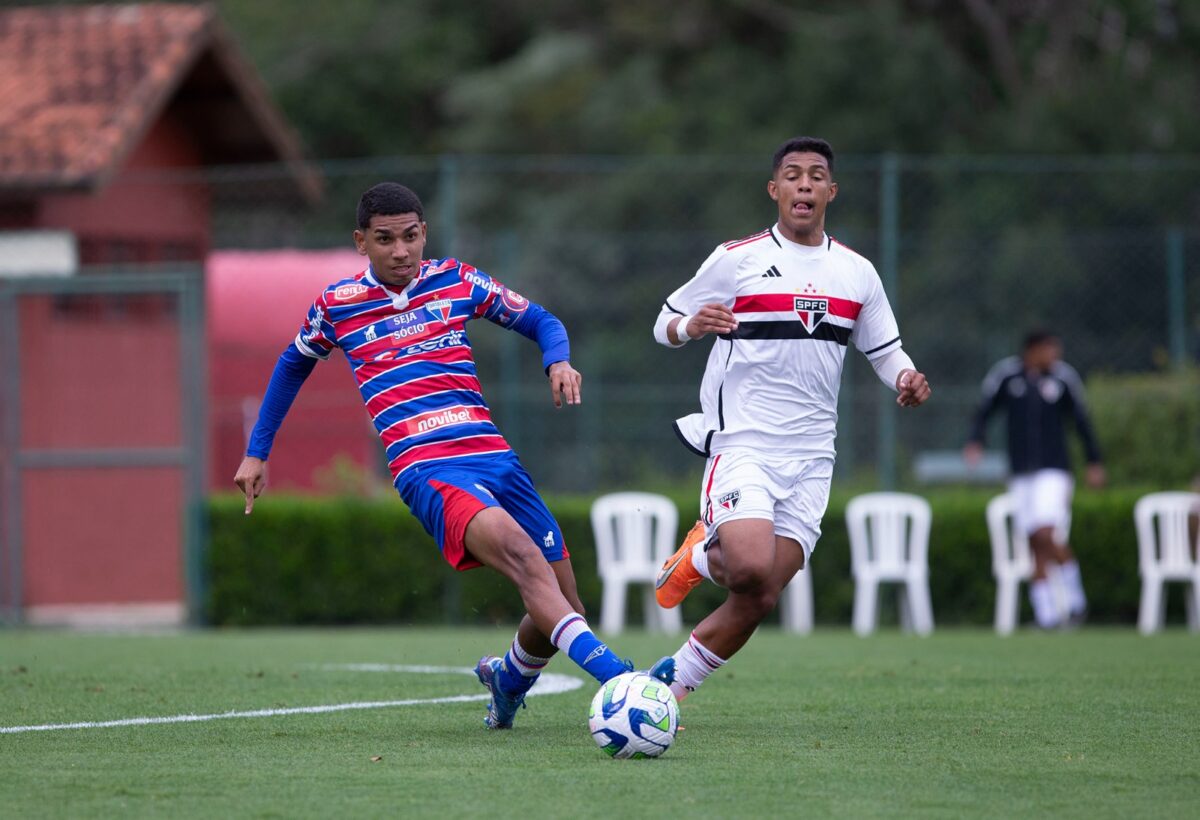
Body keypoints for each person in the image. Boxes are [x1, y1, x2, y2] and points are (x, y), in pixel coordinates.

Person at [234, 183, 672, 729]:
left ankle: (507, 680)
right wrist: (258, 451)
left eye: (411, 236)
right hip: (426, 467)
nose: (400, 251)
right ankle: (620, 679)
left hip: (495, 458)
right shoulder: (337, 305)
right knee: (520, 553)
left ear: (425, 234)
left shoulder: (457, 280)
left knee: (564, 605)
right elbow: (291, 364)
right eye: (385, 239)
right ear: (361, 242)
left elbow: (542, 321)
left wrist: (557, 361)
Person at [650, 137, 931, 703]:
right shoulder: (738, 258)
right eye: (794, 175)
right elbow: (664, 323)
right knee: (750, 565)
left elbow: (884, 352)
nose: (805, 185)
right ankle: (706, 553)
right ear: (775, 190)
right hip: (744, 442)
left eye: (817, 176)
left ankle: (668, 687)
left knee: (762, 592)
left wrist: (906, 377)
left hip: (812, 456)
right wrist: (692, 326)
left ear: (831, 191)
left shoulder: (857, 273)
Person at [963, 329, 1105, 628]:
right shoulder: (1006, 376)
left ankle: (1077, 602)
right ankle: (1047, 615)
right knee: (1032, 540)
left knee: (1044, 532)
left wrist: (1094, 461)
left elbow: (1082, 421)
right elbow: (984, 411)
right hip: (1020, 473)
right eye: (1049, 349)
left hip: (1054, 470)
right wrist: (975, 440)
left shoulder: (1063, 378)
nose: (1055, 355)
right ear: (1032, 350)